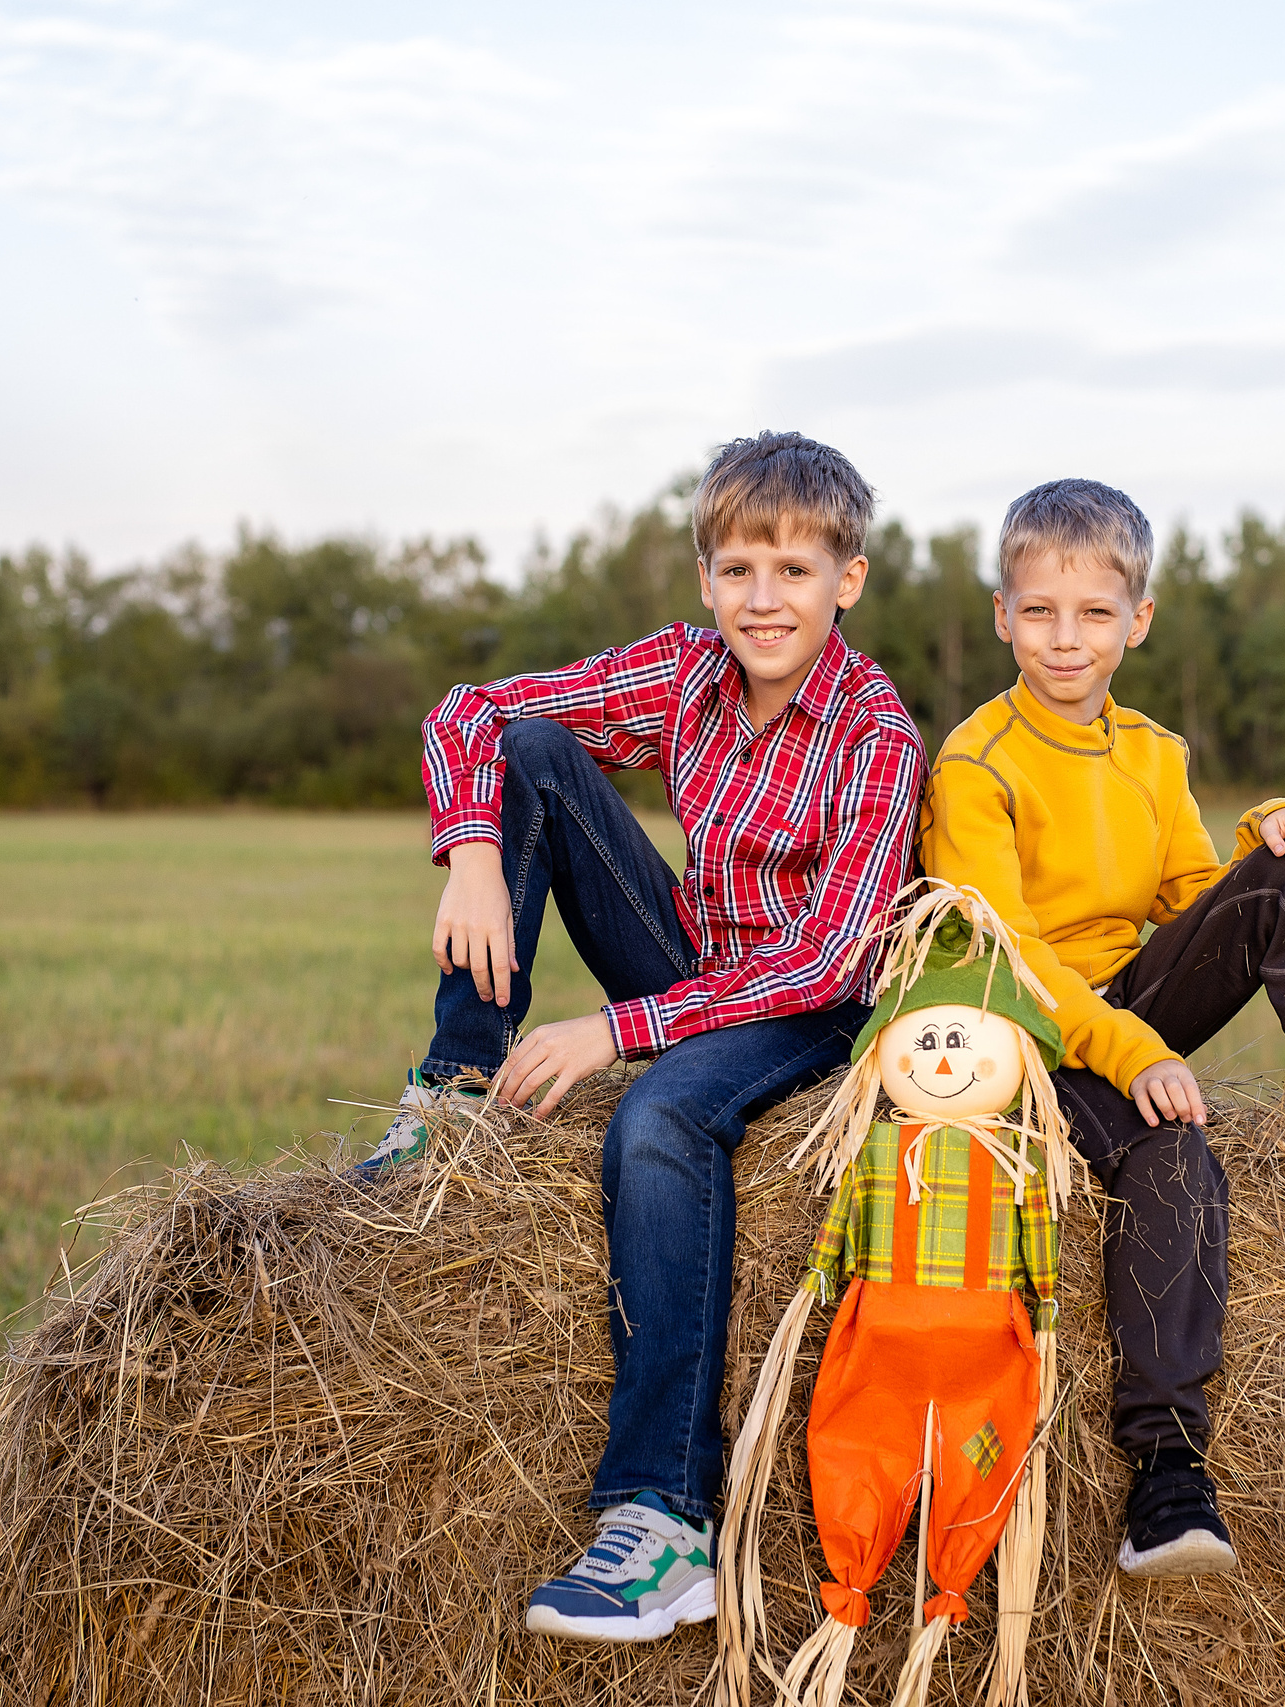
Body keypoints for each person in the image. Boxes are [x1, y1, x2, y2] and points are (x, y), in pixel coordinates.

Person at [384, 432, 927, 1643]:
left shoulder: (876, 735)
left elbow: (830, 959)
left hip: (817, 1004)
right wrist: (471, 848)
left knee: (660, 1113)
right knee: (527, 751)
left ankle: (664, 1519)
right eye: (737, 570)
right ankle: (457, 1092)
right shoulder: (686, 674)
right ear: (703, 581)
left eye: (792, 571)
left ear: (848, 579)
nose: (761, 598)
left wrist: (619, 1030)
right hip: (703, 960)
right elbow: (470, 710)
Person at [918, 477, 1285, 1581]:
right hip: (1020, 1036)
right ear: (1001, 616)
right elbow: (1009, 959)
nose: (1064, 638)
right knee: (1175, 1152)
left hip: (1124, 1005)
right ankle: (1166, 1469)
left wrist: (1276, 825)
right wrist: (1134, 1056)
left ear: (1139, 619)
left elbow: (1192, 901)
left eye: (1091, 614)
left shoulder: (1154, 752)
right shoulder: (974, 765)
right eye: (1038, 611)